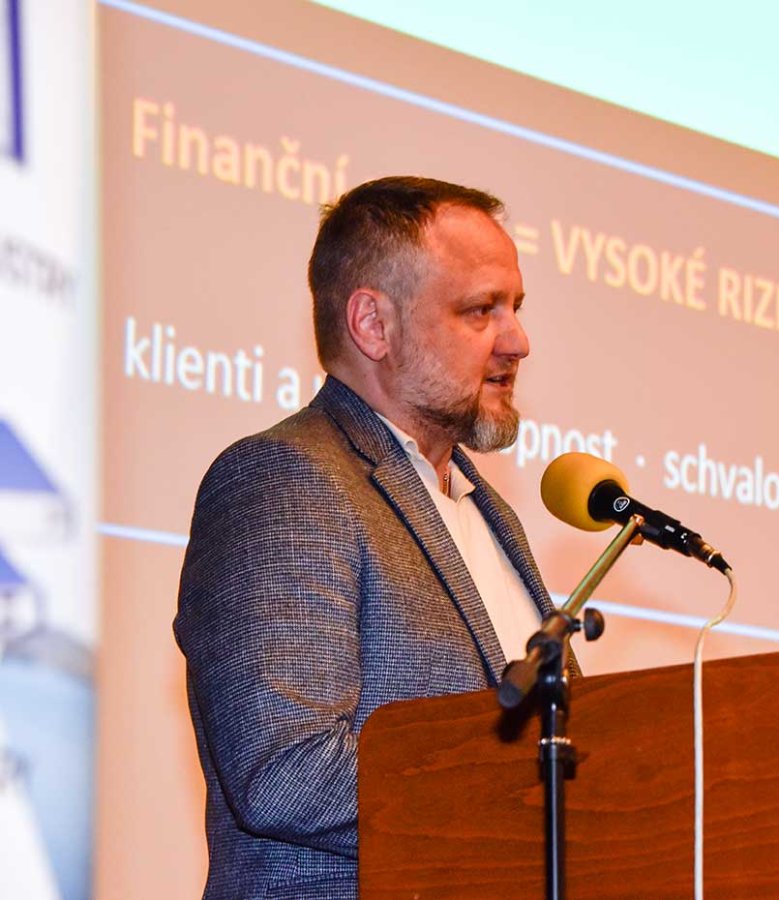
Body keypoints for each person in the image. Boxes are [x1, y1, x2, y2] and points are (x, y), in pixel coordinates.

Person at [174, 176, 560, 899]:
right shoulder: (287, 479)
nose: (518, 342)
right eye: (481, 310)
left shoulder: (491, 514)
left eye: (515, 308)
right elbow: (285, 772)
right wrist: (537, 808)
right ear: (373, 325)